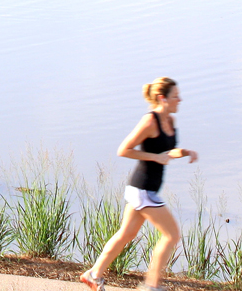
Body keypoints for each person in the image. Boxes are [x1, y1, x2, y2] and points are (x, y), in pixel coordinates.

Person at [81, 77, 198, 291]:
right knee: (171, 235)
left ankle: (93, 275)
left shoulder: (169, 121)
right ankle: (151, 286)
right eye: (175, 96)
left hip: (146, 190)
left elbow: (165, 151)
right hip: (143, 189)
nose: (179, 99)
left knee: (126, 234)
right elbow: (124, 150)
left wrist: (184, 152)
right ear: (163, 99)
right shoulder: (149, 121)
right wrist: (155, 158)